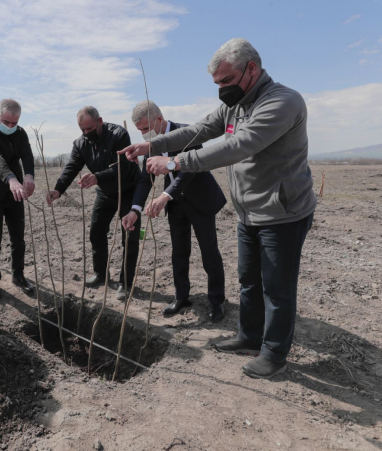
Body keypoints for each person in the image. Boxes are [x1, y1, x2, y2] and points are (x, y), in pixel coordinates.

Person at [119, 38, 317, 379]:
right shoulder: (235, 105)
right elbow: (199, 130)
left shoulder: (282, 102)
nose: (221, 89)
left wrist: (175, 163)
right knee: (249, 281)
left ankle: (274, 355)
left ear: (251, 69)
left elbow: (237, 146)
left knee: (277, 287)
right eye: (217, 83)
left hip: (282, 212)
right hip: (249, 211)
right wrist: (151, 144)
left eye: (226, 80)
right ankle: (249, 336)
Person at [123, 101, 227, 321]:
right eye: (139, 130)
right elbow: (145, 179)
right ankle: (181, 297)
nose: (143, 134)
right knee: (179, 252)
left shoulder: (186, 133)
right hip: (176, 205)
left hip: (199, 201)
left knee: (209, 252)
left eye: (145, 128)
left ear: (159, 120)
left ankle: (217, 301)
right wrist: (135, 210)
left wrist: (164, 196)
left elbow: (188, 170)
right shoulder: (152, 144)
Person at [47, 106, 140, 301]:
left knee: (128, 238)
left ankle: (125, 282)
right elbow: (71, 167)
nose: (86, 133)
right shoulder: (81, 143)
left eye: (89, 129)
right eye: (82, 130)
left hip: (128, 191)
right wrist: (58, 189)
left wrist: (97, 177)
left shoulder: (118, 135)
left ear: (100, 121)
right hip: (105, 193)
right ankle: (100, 273)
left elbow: (123, 167)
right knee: (96, 232)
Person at [0, 99, 35, 298]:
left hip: (15, 194)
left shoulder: (20, 134)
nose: (10, 127)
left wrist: (28, 175)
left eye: (14, 123)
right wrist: (11, 179)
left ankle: (18, 276)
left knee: (18, 237)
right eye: (6, 122)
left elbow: (27, 155)